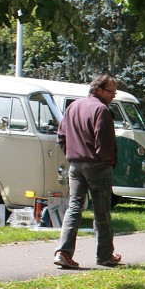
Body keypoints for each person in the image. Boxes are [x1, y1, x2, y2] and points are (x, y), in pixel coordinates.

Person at [53, 73, 120, 269]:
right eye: (111, 92)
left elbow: (61, 136)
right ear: (98, 89)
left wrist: (71, 154)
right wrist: (109, 161)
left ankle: (63, 252)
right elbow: (104, 143)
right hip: (97, 165)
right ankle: (105, 256)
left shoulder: (73, 106)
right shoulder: (102, 110)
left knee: (74, 208)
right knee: (102, 212)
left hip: (75, 165)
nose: (113, 96)